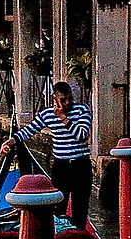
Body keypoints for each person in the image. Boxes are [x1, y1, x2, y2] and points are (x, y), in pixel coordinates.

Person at [26, 77, 95, 224]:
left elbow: (81, 135)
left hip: (81, 165)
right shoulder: (46, 115)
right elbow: (28, 130)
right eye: (63, 100)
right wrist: (11, 141)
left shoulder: (83, 110)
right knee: (57, 207)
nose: (68, 102)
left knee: (80, 208)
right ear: (55, 100)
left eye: (70, 98)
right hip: (61, 166)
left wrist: (64, 118)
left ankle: (78, 238)